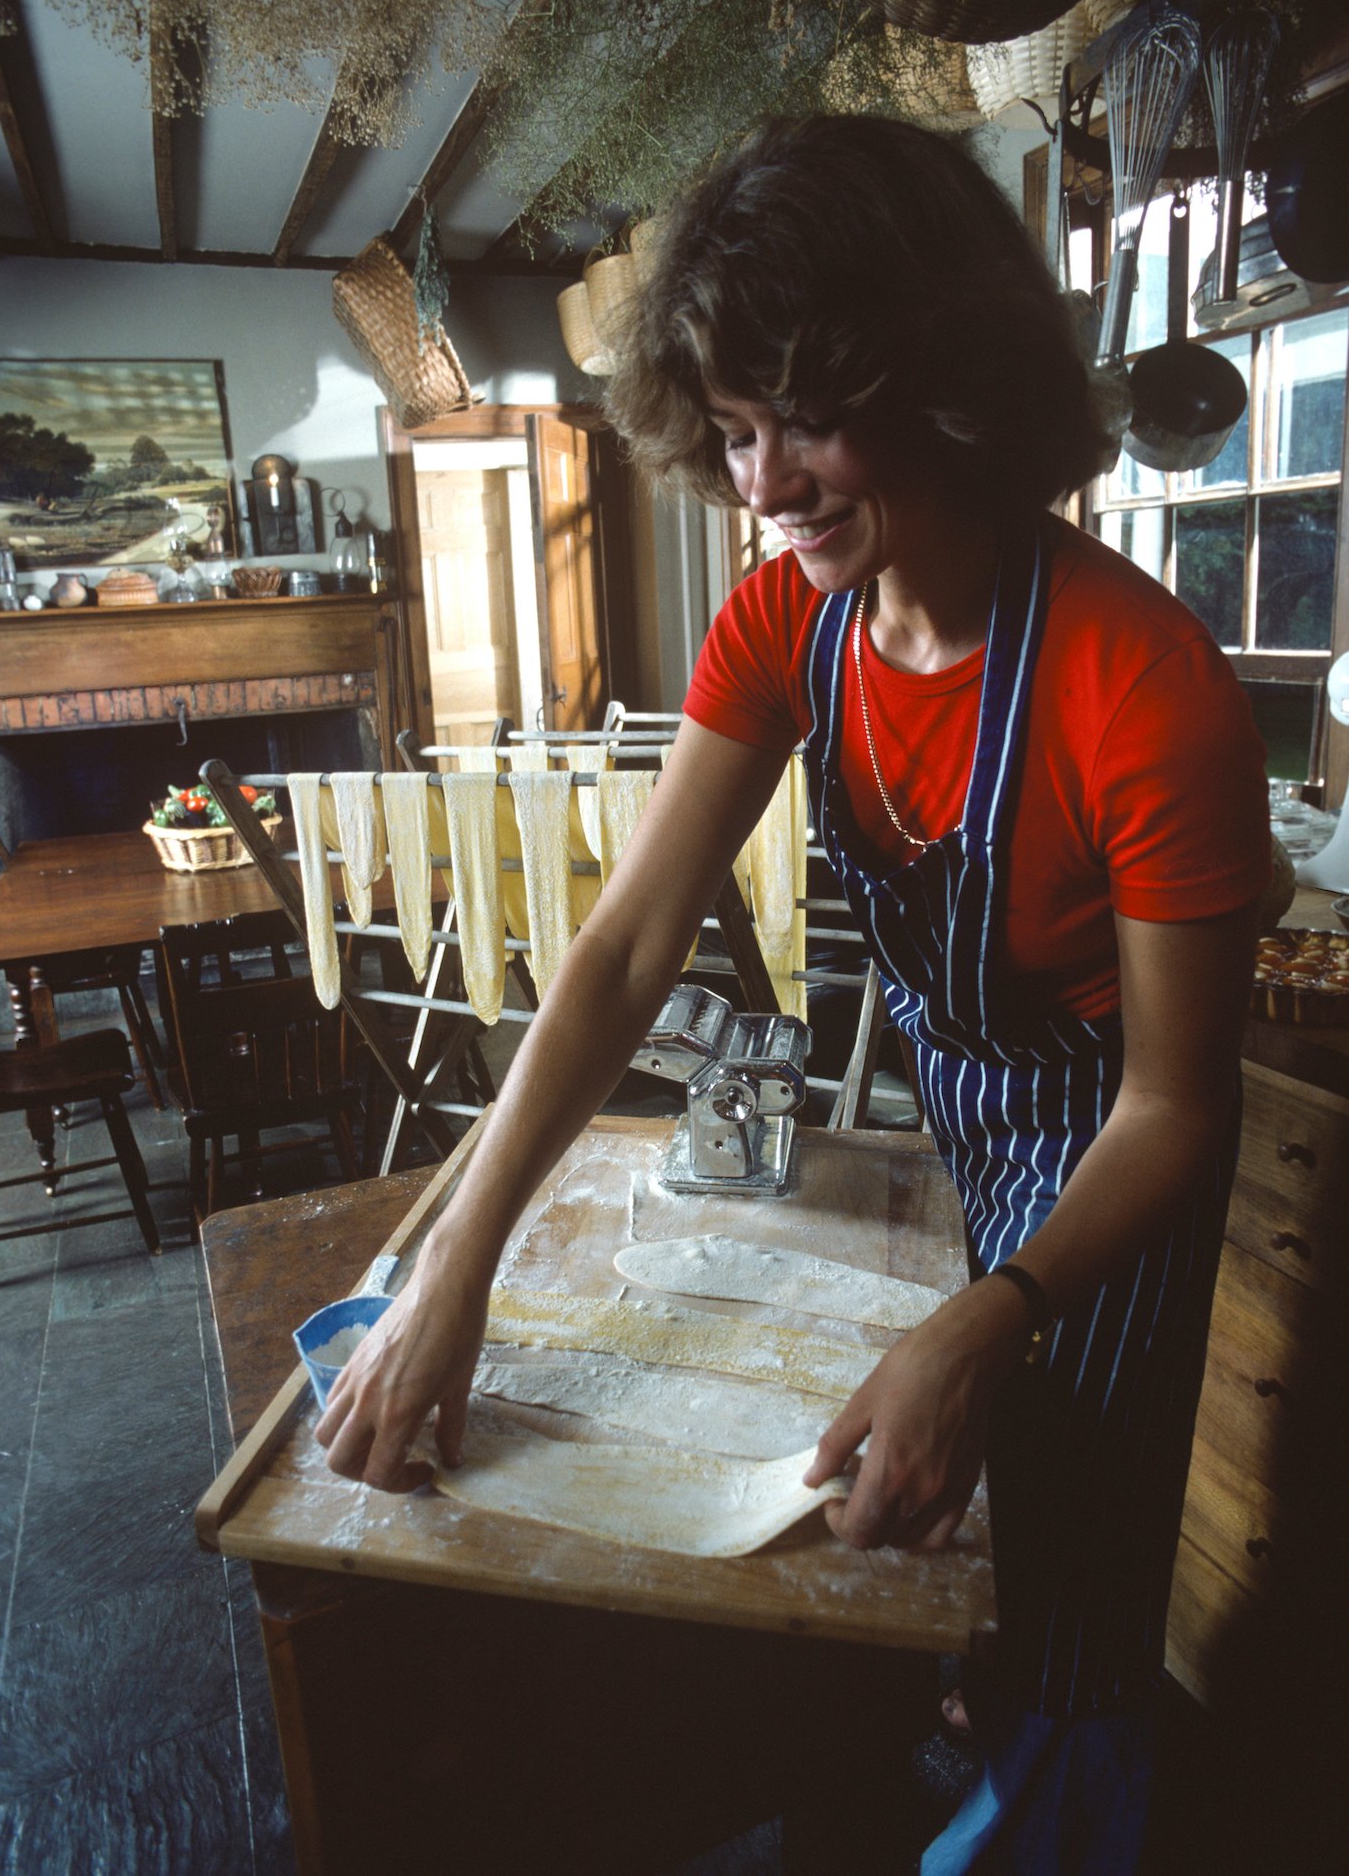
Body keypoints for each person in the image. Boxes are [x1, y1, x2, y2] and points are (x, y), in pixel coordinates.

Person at [317, 116, 1269, 1871]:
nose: (759, 487)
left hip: (1112, 1174)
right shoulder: (786, 629)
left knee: (1071, 1604)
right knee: (940, 1568)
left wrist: (986, 1315)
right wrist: (455, 1261)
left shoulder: (1147, 689)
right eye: (736, 431)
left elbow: (1175, 1103)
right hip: (965, 1129)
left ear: (949, 383)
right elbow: (618, 953)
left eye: (803, 422)